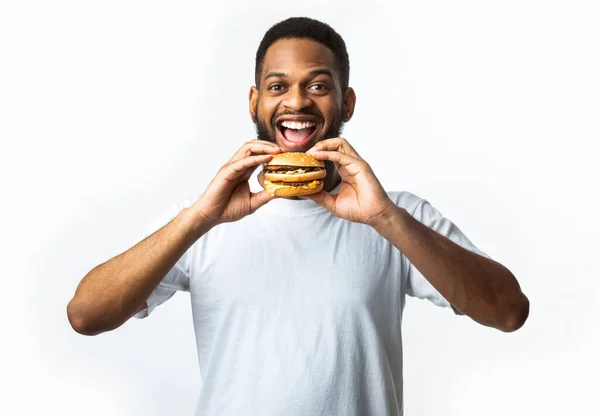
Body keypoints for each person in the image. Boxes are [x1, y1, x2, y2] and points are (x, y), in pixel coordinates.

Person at [67, 17, 529, 416]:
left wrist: (385, 217)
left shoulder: (398, 215)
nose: (297, 102)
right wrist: (200, 218)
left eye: (318, 86)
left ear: (346, 103)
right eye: (277, 86)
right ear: (254, 102)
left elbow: (508, 312)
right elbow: (86, 316)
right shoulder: (203, 220)